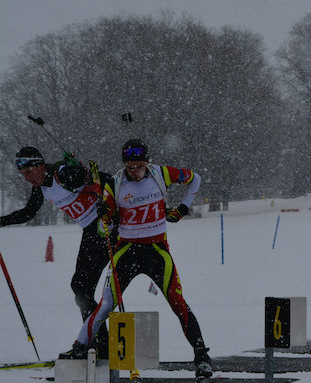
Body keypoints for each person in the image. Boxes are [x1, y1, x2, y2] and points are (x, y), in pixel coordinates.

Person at [58, 139, 212, 380]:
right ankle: (79, 348)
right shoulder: (116, 183)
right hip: (127, 252)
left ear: (147, 163)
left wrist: (183, 208)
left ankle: (202, 356)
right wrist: (104, 217)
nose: (135, 172)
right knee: (105, 305)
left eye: (139, 166)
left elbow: (196, 179)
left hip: (157, 252)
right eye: (130, 166)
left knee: (177, 301)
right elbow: (103, 226)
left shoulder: (162, 174)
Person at [0, 146, 112, 358]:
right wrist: (2, 221)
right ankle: (98, 343)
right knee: (80, 287)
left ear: (41, 165)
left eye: (29, 172)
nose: (27, 178)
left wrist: (103, 197)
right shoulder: (41, 186)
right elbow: (28, 213)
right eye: (23, 175)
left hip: (104, 228)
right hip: (90, 232)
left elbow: (106, 180)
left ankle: (97, 344)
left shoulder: (62, 173)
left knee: (81, 287)